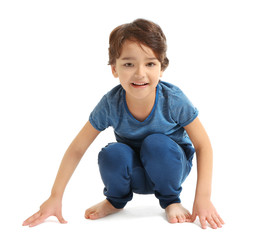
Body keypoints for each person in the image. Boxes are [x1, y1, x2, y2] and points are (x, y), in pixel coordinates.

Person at [23, 19, 224, 229]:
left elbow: (203, 146)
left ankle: (171, 200)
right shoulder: (111, 103)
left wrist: (203, 197)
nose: (140, 73)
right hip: (134, 173)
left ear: (162, 67)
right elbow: (77, 148)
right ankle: (115, 201)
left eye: (150, 63)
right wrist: (55, 196)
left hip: (170, 168)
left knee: (156, 143)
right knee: (113, 152)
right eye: (128, 64)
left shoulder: (173, 100)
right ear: (114, 69)